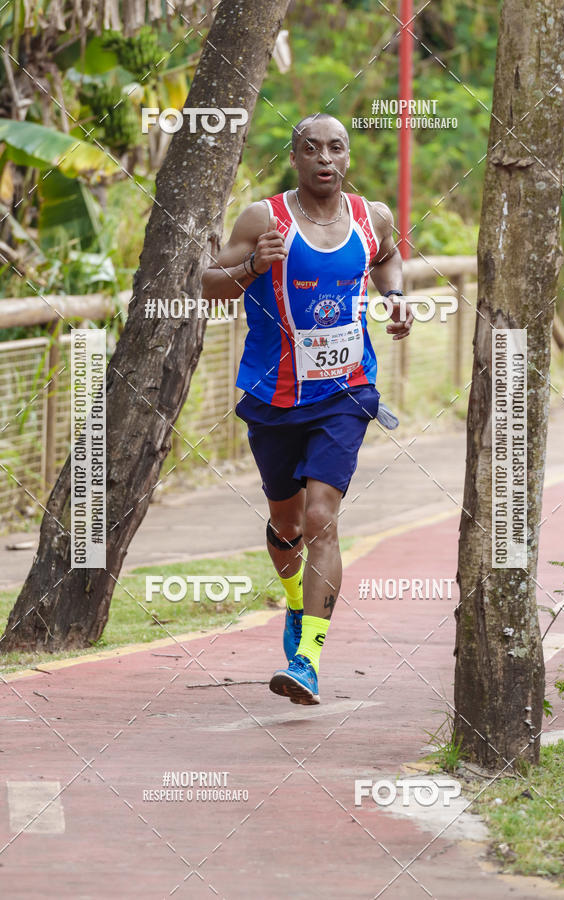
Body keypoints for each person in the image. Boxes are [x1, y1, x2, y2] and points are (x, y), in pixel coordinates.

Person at [202, 113, 413, 705]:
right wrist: (251, 266)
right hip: (272, 396)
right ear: (295, 157)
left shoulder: (373, 217)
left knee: (321, 517)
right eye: (312, 148)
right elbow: (206, 281)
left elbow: (388, 257)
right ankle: (295, 603)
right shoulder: (263, 219)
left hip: (345, 392)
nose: (326, 158)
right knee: (287, 524)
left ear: (348, 156)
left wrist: (394, 298)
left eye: (337, 148)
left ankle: (307, 660)